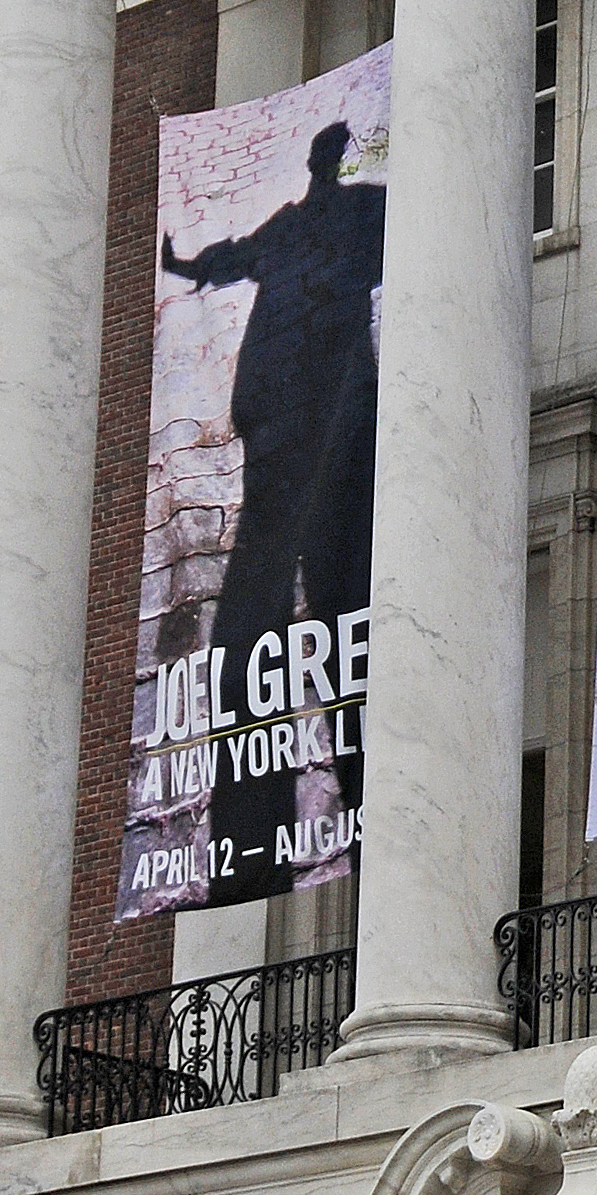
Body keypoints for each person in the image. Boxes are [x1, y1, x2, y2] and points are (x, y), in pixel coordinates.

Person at [163, 118, 386, 875]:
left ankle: (367, 808)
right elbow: (235, 258)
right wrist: (183, 260)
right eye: (322, 153)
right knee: (251, 615)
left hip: (336, 410)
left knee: (338, 590)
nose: (327, 162)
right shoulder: (289, 226)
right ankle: (248, 838)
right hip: (274, 421)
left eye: (333, 153)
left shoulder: (367, 211)